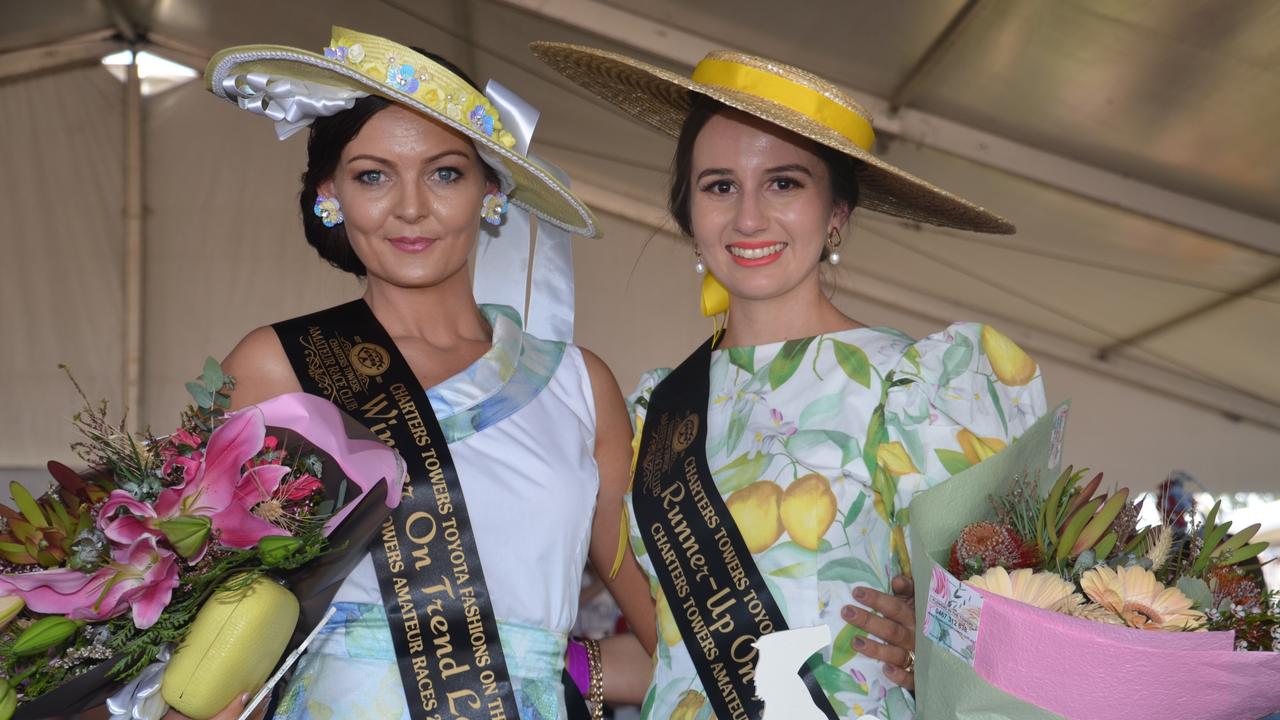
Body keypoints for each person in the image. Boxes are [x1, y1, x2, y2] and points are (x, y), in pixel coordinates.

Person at [532, 43, 1048, 719]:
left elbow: (1024, 632)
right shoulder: (654, 413)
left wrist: (937, 646)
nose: (749, 217)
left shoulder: (924, 387)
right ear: (690, 213)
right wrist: (529, 665)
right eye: (720, 186)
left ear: (837, 212)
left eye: (784, 183)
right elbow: (675, 652)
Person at [159, 27, 657, 720]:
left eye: (445, 172)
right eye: (373, 176)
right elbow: (197, 601)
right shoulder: (279, 364)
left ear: (491, 188)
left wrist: (567, 667)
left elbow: (664, 611)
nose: (411, 207)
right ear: (331, 193)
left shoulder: (576, 384)